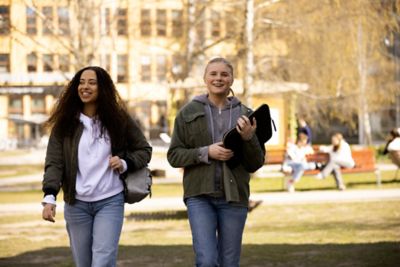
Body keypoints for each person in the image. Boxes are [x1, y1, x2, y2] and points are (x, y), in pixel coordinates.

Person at [41, 66, 152, 267]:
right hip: (76, 204)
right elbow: (54, 162)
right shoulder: (65, 123)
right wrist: (49, 197)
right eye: (81, 82)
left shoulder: (118, 119)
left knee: (103, 260)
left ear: (103, 88)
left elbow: (144, 150)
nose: (85, 87)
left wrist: (125, 162)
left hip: (110, 201)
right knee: (83, 263)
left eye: (92, 82)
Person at [167, 57, 265, 267]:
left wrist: (249, 138)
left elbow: (256, 163)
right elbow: (174, 156)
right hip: (199, 197)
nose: (218, 78)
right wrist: (206, 152)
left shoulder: (246, 114)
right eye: (213, 74)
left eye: (224, 74)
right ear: (205, 78)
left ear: (231, 79)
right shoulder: (187, 113)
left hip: (235, 197)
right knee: (207, 260)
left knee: (230, 262)